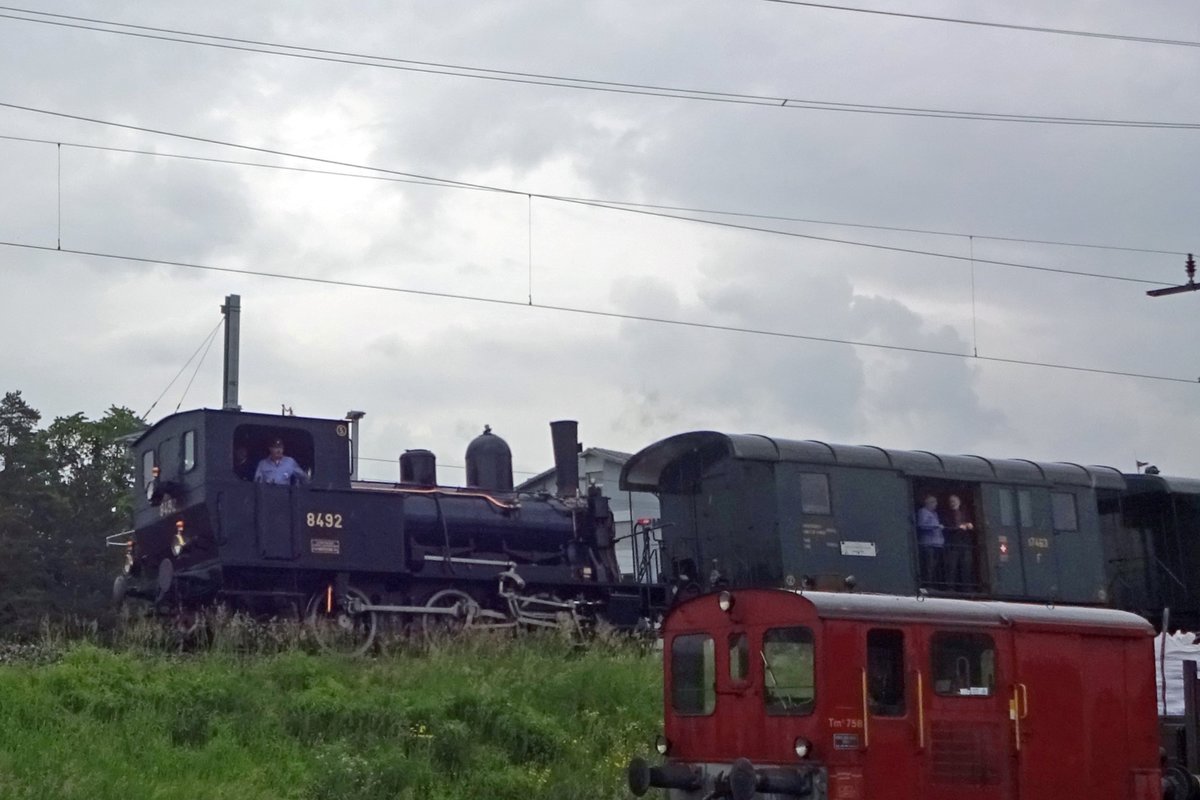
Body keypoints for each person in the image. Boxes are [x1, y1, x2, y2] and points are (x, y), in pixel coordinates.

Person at [940, 494, 976, 591]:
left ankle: (967, 587)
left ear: (959, 502)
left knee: (966, 566)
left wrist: (969, 525)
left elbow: (971, 524)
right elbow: (944, 527)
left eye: (954, 501)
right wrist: (958, 527)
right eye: (951, 501)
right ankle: (950, 587)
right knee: (952, 566)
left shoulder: (965, 512)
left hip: (965, 542)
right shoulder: (946, 514)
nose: (953, 503)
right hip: (952, 543)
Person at [915, 495, 944, 587]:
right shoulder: (922, 512)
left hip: (938, 544)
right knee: (929, 565)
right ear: (928, 503)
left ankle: (935, 584)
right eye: (933, 502)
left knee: (936, 565)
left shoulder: (935, 514)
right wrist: (936, 526)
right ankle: (928, 585)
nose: (936, 504)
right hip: (928, 543)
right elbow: (922, 525)